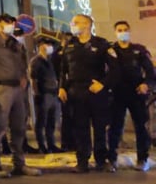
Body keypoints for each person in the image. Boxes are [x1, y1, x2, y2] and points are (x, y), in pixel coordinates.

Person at [0, 14, 40, 178]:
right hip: (1, 88)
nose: (9, 26)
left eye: (11, 23)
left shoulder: (16, 44)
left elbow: (23, 64)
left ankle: (19, 163)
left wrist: (23, 78)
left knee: (18, 127)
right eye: (6, 23)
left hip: (17, 89)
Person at [59, 13, 115, 173]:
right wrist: (62, 87)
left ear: (87, 25)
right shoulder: (69, 45)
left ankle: (101, 160)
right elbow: (63, 69)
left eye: (76, 22)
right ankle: (82, 161)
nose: (73, 25)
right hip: (76, 91)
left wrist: (103, 84)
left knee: (99, 126)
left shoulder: (102, 44)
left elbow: (114, 69)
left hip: (95, 90)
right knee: (79, 127)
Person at [108, 21, 153, 171]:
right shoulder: (110, 51)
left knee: (141, 126)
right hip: (117, 93)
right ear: (115, 32)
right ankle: (112, 159)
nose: (122, 32)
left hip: (136, 93)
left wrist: (146, 84)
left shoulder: (139, 50)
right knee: (115, 127)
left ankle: (142, 158)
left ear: (130, 31)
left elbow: (150, 71)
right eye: (119, 30)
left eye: (125, 29)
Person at [30, 38, 60, 155]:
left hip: (53, 93)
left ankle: (51, 144)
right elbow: (33, 79)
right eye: (45, 45)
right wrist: (37, 93)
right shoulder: (36, 61)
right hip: (44, 94)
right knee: (41, 121)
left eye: (49, 44)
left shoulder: (51, 60)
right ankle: (42, 145)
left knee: (51, 122)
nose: (48, 47)